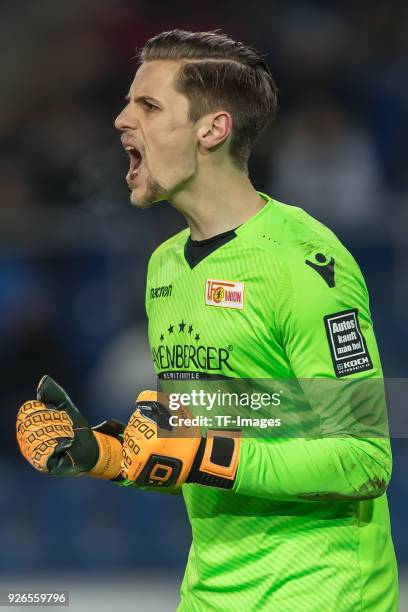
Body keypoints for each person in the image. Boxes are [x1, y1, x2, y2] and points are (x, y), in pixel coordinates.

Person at [17, 30, 398, 611]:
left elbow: (365, 458)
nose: (121, 119)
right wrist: (105, 454)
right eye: (127, 102)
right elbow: (209, 429)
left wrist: (203, 452)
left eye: (148, 105)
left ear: (212, 130)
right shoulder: (163, 267)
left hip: (321, 594)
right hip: (207, 593)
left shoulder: (304, 263)